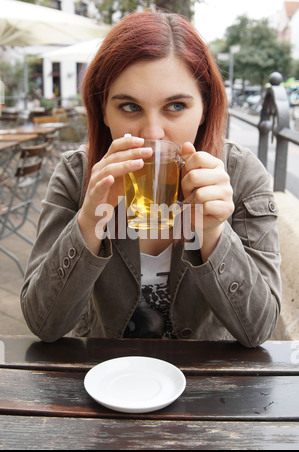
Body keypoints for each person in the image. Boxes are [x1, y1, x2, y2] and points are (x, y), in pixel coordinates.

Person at [20, 9, 281, 347]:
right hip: (106, 377)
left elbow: (259, 330)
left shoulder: (241, 175)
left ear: (204, 108)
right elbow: (44, 323)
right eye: (130, 107)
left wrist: (213, 232)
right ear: (103, 110)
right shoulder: (77, 174)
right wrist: (88, 221)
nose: (153, 134)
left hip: (208, 384)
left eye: (175, 106)